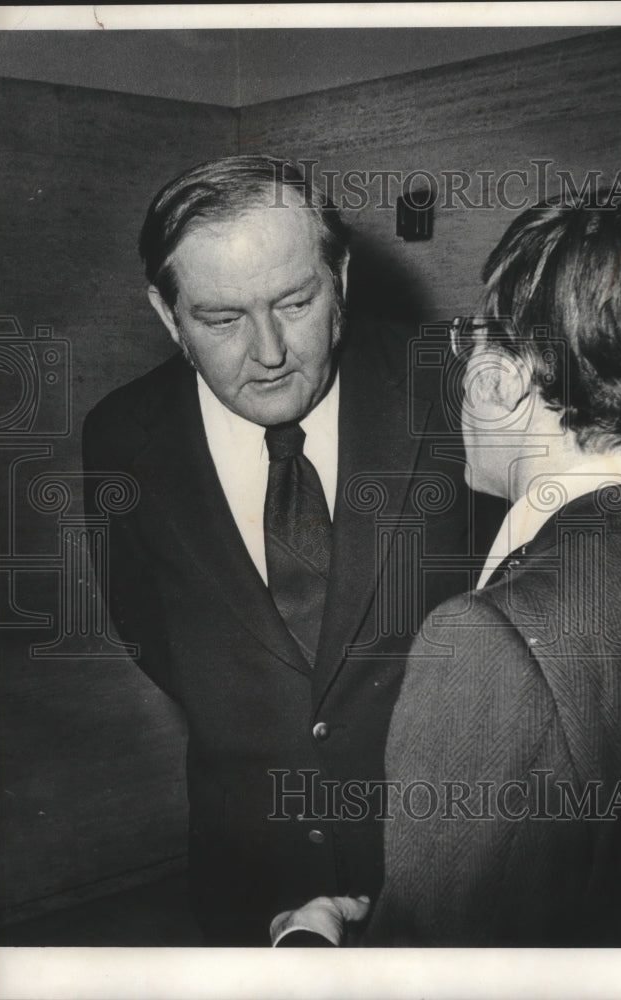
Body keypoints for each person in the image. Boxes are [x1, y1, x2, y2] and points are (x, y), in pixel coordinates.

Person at [271, 199, 621, 947]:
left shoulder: (491, 640)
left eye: (471, 341)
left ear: (498, 378)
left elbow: (433, 974)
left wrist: (317, 947)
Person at [82, 155, 495, 945]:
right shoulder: (120, 434)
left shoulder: (449, 389)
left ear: (340, 278)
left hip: (440, 866)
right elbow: (146, 627)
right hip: (248, 873)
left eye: (296, 302)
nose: (269, 351)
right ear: (168, 317)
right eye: (222, 318)